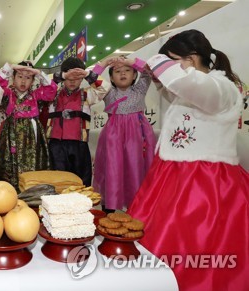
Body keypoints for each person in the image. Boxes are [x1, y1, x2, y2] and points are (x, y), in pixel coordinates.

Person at [128, 30, 248, 291]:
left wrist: (156, 60)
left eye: (175, 60)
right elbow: (173, 88)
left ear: (192, 58)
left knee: (193, 245)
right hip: (174, 175)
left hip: (204, 185)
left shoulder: (221, 88)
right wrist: (140, 65)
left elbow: (187, 84)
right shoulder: (197, 89)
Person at [92, 56, 156, 212]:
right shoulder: (107, 91)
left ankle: (138, 207)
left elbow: (148, 71)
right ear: (111, 78)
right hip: (113, 136)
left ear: (134, 75)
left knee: (136, 167)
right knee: (113, 168)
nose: (123, 74)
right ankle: (109, 207)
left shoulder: (140, 88)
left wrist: (131, 62)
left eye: (127, 70)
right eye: (118, 71)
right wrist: (105, 62)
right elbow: (92, 77)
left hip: (138, 135)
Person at [0, 61, 57, 190]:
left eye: (28, 78)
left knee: (33, 165)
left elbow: (52, 89)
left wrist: (38, 73)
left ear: (33, 81)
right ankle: (10, 194)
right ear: (13, 77)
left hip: (32, 137)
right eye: (20, 76)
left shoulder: (36, 95)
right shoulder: (7, 94)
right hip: (10, 137)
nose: (23, 81)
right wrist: (10, 68)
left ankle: (30, 194)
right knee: (8, 167)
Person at [47, 57, 110, 186]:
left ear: (82, 79)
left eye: (77, 78)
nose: (72, 81)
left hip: (79, 144)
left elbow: (105, 88)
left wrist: (88, 74)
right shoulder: (52, 93)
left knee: (82, 180)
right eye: (69, 78)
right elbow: (41, 82)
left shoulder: (87, 95)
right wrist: (62, 75)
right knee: (57, 181)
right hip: (56, 144)